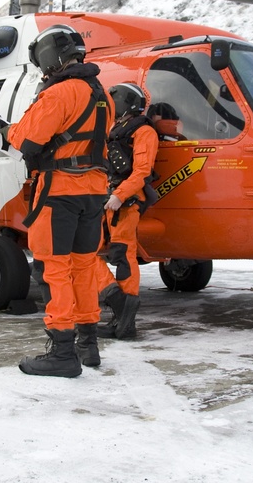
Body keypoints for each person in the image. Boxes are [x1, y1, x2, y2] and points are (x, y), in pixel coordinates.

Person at [8, 25, 113, 377]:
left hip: (60, 193)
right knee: (83, 267)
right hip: (94, 192)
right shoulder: (104, 95)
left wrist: (6, 127)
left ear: (50, 57)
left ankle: (63, 352)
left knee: (53, 269)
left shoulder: (59, 93)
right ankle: (88, 345)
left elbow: (27, 140)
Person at [97, 83, 159, 341]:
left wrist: (119, 196)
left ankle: (122, 310)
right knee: (93, 253)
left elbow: (142, 171)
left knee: (123, 255)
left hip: (126, 202)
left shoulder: (144, 132)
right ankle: (122, 313)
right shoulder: (115, 131)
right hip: (111, 199)